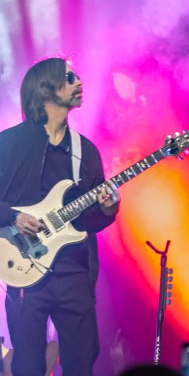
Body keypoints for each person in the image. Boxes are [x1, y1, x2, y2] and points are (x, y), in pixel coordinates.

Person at [0, 58, 120, 376]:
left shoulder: (86, 150)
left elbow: (89, 221)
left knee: (82, 360)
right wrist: (13, 217)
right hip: (23, 268)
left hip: (74, 272)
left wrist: (108, 209)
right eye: (69, 78)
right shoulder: (7, 144)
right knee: (27, 364)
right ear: (45, 89)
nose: (79, 83)